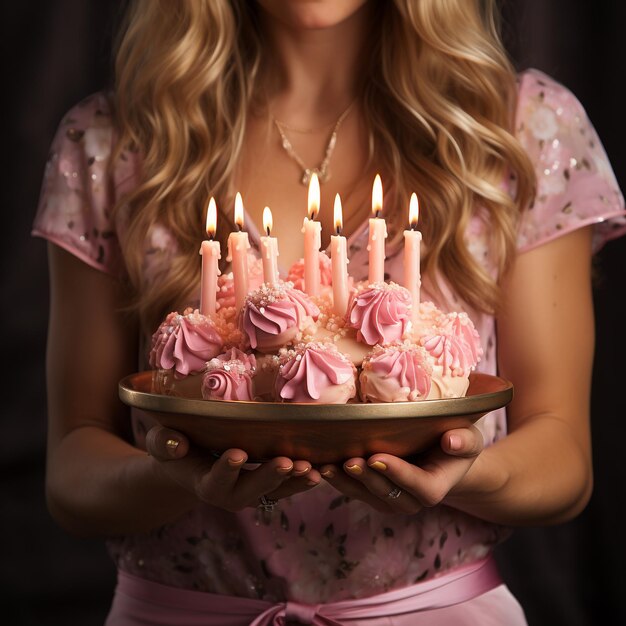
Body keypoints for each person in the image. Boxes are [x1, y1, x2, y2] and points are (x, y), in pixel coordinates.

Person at [32, 0, 626, 624]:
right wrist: (173, 478)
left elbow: (565, 461)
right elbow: (73, 470)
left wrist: (465, 472)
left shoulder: (519, 128)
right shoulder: (114, 140)